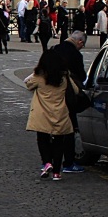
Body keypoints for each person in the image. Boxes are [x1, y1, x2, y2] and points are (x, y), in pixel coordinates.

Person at [25, 48, 75, 181]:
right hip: (59, 112)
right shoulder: (64, 77)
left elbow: (27, 83)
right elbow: (74, 90)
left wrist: (36, 71)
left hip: (42, 112)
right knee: (59, 141)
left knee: (42, 139)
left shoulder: (39, 77)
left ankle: (47, 162)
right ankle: (57, 172)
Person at [49, 31, 89, 174]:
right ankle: (69, 162)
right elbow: (82, 76)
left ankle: (49, 161)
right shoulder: (76, 55)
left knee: (53, 129)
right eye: (82, 45)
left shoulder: (55, 49)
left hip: (51, 95)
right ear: (79, 42)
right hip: (68, 95)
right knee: (70, 129)